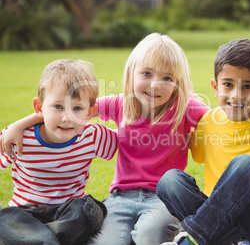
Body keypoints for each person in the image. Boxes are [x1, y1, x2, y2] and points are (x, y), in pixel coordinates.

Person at [0, 33, 210, 245]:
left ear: (178, 84)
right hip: (121, 197)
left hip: (161, 198)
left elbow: (217, 120)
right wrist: (19, 125)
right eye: (147, 73)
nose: (155, 85)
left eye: (167, 78)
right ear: (131, 74)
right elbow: (74, 109)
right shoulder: (121, 104)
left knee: (150, 235)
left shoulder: (185, 107)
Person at [156, 38, 250, 245]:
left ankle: (192, 240)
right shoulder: (207, 122)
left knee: (246, 165)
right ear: (215, 86)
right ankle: (233, 242)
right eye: (228, 85)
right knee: (169, 181)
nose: (236, 96)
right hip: (218, 220)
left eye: (247, 86)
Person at [0, 59, 119, 244]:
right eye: (58, 106)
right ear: (39, 108)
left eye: (77, 108)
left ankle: (40, 239)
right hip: (25, 215)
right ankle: (43, 238)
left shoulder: (93, 136)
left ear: (90, 112)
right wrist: (17, 126)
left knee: (88, 209)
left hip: (68, 213)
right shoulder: (17, 137)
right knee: (5, 219)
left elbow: (130, 136)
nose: (66, 118)